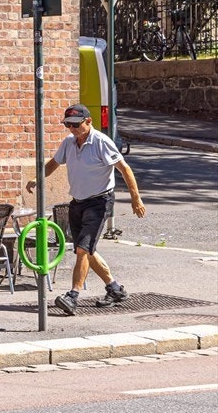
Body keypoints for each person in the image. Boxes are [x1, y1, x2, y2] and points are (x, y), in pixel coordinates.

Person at [29, 103, 146, 316]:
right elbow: (54, 163)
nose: (72, 129)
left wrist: (135, 199)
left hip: (99, 202)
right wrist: (38, 178)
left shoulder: (102, 143)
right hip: (78, 201)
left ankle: (73, 296)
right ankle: (115, 289)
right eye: (68, 125)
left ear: (88, 121)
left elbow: (125, 169)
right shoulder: (69, 142)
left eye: (76, 124)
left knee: (83, 249)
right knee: (87, 249)